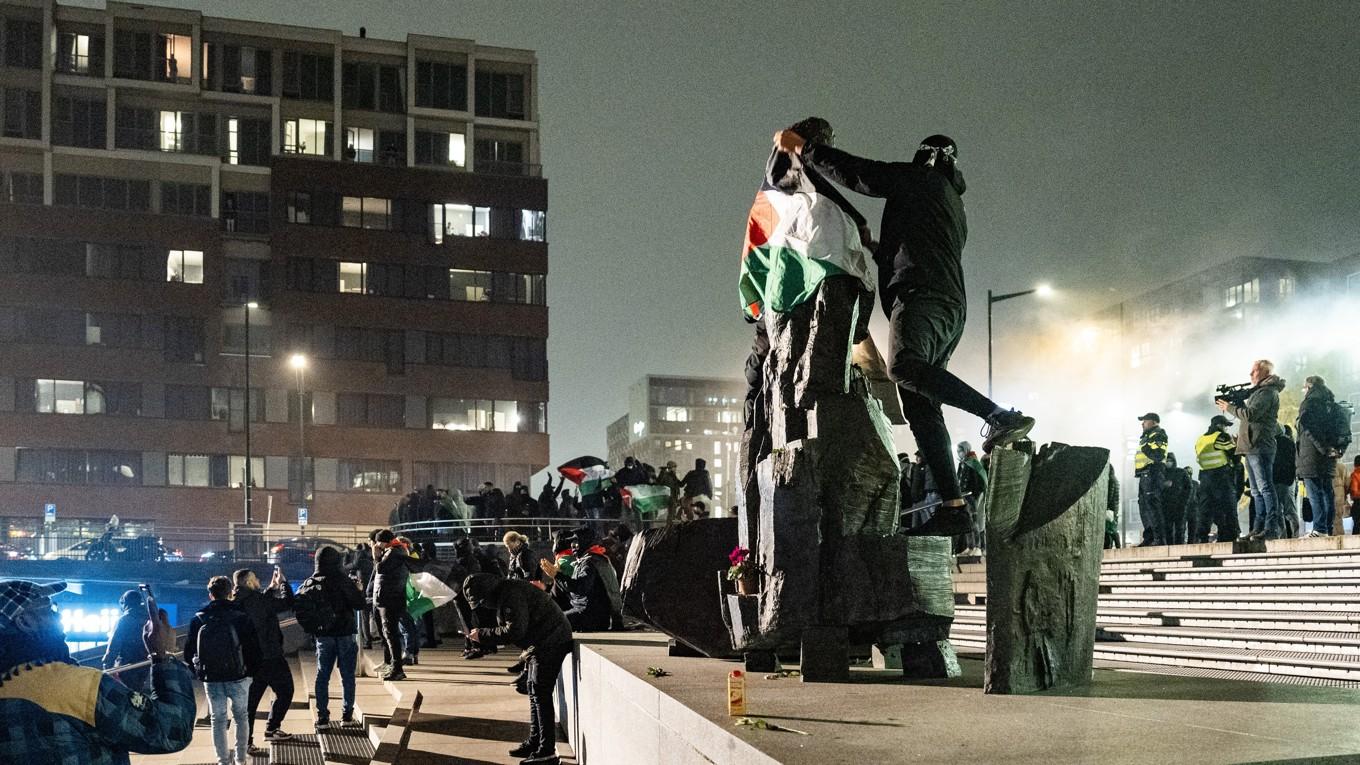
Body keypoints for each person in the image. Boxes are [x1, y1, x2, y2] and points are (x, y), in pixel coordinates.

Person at [774, 129, 1035, 537]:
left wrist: (804, 148)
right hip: (947, 304)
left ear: (928, 158)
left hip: (921, 295)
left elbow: (861, 174)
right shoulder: (949, 202)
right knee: (920, 406)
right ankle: (954, 507)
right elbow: (918, 244)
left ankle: (999, 415)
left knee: (903, 366)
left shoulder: (921, 179)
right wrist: (877, 248)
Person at [0, 580, 193, 764]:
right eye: (49, 609)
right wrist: (162, 656)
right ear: (24, 622)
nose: (57, 615)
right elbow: (170, 731)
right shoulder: (75, 686)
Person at [464, 573, 573, 765]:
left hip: (550, 641)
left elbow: (515, 630)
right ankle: (536, 742)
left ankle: (546, 751)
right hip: (542, 641)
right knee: (535, 691)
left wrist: (483, 634)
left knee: (540, 693)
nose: (483, 605)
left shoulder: (510, 595)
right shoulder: (507, 591)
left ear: (488, 593)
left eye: (481, 601)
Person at [185, 575, 262, 765]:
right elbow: (253, 648)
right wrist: (251, 673)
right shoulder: (240, 616)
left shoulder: (199, 618)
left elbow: (188, 652)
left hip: (211, 677)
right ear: (229, 593)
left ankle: (222, 761)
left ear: (210, 594)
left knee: (218, 719)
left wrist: (199, 672)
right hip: (238, 676)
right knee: (241, 716)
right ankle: (241, 759)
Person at [1217, 360, 1286, 540]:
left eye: (1254, 371)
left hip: (1259, 446)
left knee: (1265, 488)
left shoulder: (1267, 392)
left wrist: (1229, 407)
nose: (1251, 374)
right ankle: (1258, 528)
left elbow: (1250, 415)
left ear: (1266, 372)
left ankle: (1270, 528)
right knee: (1256, 490)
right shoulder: (1260, 392)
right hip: (1251, 446)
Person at [302, 546, 366, 730]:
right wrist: (359, 590)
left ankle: (322, 716)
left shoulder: (312, 582)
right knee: (347, 676)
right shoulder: (343, 580)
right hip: (344, 633)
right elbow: (359, 605)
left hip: (323, 635)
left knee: (323, 675)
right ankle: (347, 715)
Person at [233, 567, 296, 749]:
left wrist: (271, 588)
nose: (258, 580)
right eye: (255, 578)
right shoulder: (257, 600)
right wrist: (283, 583)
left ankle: (246, 741)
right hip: (270, 656)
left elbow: (261, 607)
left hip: (249, 660)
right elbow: (287, 603)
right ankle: (272, 728)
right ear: (248, 582)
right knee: (286, 691)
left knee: (250, 703)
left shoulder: (237, 601)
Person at [540, 526, 623, 632]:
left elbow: (581, 587)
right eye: (572, 543)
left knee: (550, 622)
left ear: (585, 542)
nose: (573, 546)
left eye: (576, 542)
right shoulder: (591, 559)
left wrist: (557, 575)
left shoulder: (590, 562)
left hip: (592, 617)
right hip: (588, 613)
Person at [1298, 376, 1341, 537]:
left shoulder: (1309, 404)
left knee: (1315, 493)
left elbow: (1309, 428)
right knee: (1327, 492)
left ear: (1309, 387)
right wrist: (1334, 449)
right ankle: (1327, 528)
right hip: (1328, 456)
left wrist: (1322, 448)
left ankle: (1319, 528)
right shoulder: (1331, 404)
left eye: (1304, 388)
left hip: (1312, 455)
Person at [371, 529, 411, 681]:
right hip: (390, 597)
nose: (376, 544)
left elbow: (380, 569)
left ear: (383, 541)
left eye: (378, 542)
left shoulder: (394, 552)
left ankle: (397, 668)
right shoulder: (397, 550)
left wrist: (375, 555)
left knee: (391, 633)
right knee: (389, 633)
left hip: (390, 598)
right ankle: (394, 666)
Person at [1194, 415, 1240, 542]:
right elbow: (1235, 457)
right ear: (1220, 425)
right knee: (1227, 507)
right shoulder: (1221, 436)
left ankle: (1201, 537)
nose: (1226, 428)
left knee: (1205, 510)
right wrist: (1236, 445)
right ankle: (1228, 536)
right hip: (1221, 477)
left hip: (1204, 478)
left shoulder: (1201, 439)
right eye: (1225, 426)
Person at [102, 588, 151, 692]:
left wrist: (107, 664)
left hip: (126, 665)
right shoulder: (149, 619)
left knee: (124, 694)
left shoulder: (124, 620)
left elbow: (114, 645)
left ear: (125, 603)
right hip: (145, 664)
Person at [1134, 412, 1169, 545]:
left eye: (1145, 421)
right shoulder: (1147, 436)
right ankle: (1149, 538)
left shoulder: (1159, 434)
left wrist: (1145, 445)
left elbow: (1158, 455)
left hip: (1153, 472)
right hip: (1144, 474)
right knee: (1144, 507)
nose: (1142, 424)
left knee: (1153, 507)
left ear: (1154, 422)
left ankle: (1159, 538)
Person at [955, 442, 988, 555]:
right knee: (966, 522)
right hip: (963, 496)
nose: (959, 453)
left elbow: (979, 481)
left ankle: (978, 546)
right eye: (958, 451)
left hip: (970, 497)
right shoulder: (962, 464)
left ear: (966, 450)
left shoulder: (973, 463)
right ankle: (969, 546)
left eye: (961, 450)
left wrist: (975, 495)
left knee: (974, 522)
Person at [348, 543, 376, 649]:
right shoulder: (372, 562)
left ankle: (368, 641)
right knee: (375, 617)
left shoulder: (358, 564)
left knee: (364, 619)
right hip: (373, 592)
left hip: (364, 593)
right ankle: (383, 640)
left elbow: (348, 567)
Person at [1161, 453, 1192, 546]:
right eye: (1166, 460)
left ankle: (1179, 546)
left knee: (1180, 528)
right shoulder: (1162, 474)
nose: (1168, 462)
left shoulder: (1181, 472)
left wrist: (1184, 501)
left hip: (1179, 505)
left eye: (1170, 460)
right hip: (1166, 506)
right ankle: (1170, 547)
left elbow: (1189, 488)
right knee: (1167, 529)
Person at [1274, 425, 1300, 537]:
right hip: (1287, 480)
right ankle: (1295, 534)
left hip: (1277, 480)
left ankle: (1283, 535)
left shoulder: (1273, 444)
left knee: (1278, 510)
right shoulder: (1290, 443)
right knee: (1290, 509)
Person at [679, 458, 714, 523]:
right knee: (703, 518)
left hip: (689, 498)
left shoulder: (690, 473)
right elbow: (709, 486)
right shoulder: (705, 473)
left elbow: (681, 484)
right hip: (701, 498)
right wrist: (710, 496)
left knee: (688, 517)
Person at [1104, 464, 1122, 549]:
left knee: (1111, 528)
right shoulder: (1114, 479)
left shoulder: (1111, 480)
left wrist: (1106, 505)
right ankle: (1112, 545)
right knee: (1110, 528)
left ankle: (1117, 546)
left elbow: (1110, 495)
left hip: (1111, 508)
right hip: (1114, 508)